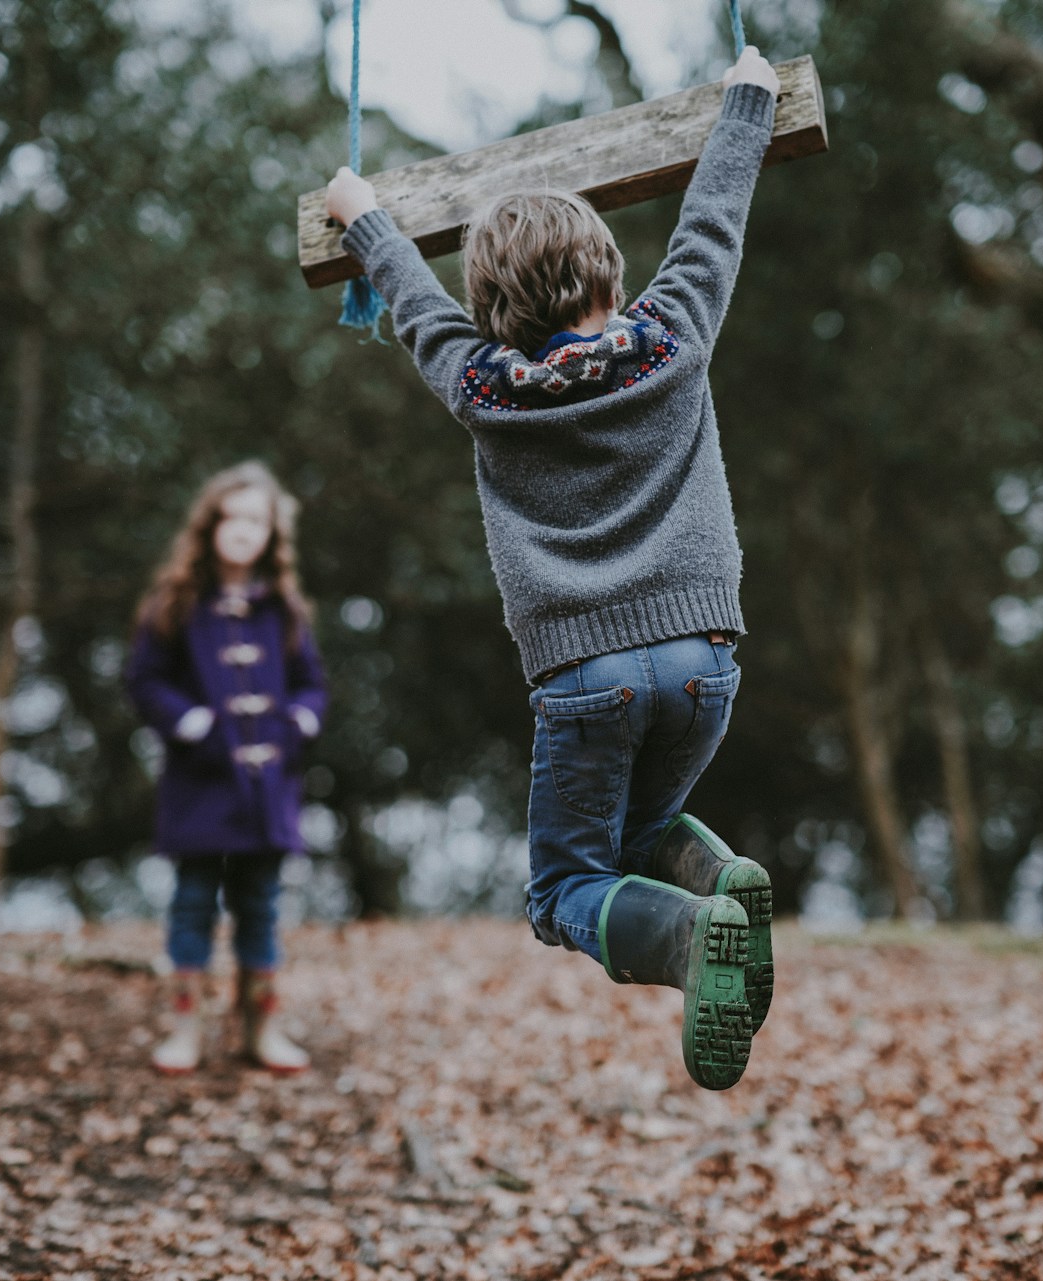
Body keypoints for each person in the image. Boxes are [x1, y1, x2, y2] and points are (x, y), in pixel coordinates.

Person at [323, 49, 782, 1090]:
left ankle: (690, 938)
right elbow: (714, 216)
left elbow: (411, 302)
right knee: (645, 830)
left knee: (565, 887)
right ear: (611, 270)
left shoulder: (484, 385)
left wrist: (364, 215)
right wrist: (747, 96)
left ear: (496, 305)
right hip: (705, 661)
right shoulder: (675, 338)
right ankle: (724, 882)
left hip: (586, 677)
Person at [125, 461, 327, 1075]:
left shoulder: (284, 609)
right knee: (192, 903)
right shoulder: (176, 603)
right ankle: (185, 1030)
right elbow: (143, 679)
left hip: (269, 791)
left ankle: (260, 1030)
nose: (243, 531)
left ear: (272, 534)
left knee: (261, 905)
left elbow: (311, 685)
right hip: (200, 786)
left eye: (256, 521)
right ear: (209, 525)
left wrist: (298, 723)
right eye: (231, 517)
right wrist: (193, 724)